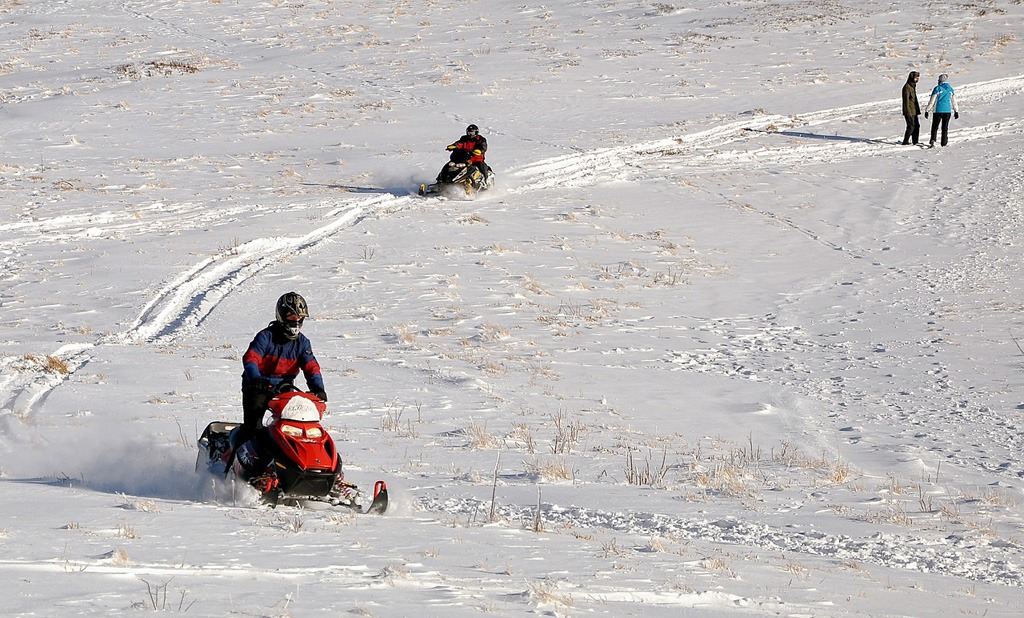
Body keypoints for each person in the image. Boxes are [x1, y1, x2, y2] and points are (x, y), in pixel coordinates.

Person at [238, 292, 327, 442]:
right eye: (292, 317)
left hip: (284, 389)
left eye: (300, 317)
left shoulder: (303, 343)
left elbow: (311, 366)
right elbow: (251, 358)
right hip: (257, 387)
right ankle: (240, 457)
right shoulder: (265, 337)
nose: (296, 321)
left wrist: (318, 388)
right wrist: (255, 378)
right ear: (281, 316)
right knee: (254, 428)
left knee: (293, 427)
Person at [924, 74, 959, 148]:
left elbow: (932, 101)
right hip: (947, 111)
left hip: (938, 110)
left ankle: (933, 140)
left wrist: (927, 110)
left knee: (935, 126)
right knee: (945, 127)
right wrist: (956, 111)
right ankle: (944, 142)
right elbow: (954, 101)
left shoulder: (937, 89)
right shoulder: (950, 89)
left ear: (940, 80)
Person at [901, 71, 921, 145]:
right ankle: (905, 141)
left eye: (918, 78)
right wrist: (907, 111)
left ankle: (915, 141)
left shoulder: (913, 86)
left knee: (917, 126)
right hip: (909, 111)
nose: (917, 79)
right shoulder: (907, 87)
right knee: (911, 126)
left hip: (914, 110)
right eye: (916, 78)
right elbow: (906, 101)